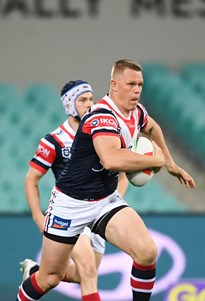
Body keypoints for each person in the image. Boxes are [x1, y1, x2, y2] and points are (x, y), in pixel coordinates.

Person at [16, 59, 196, 301]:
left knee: (146, 252)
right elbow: (111, 159)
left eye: (140, 84)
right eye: (131, 84)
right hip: (70, 204)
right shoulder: (101, 115)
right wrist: (155, 162)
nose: (137, 90)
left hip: (105, 200)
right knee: (50, 278)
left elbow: (152, 128)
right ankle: (29, 281)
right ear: (114, 84)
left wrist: (171, 163)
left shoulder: (137, 112)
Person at [20, 80, 129, 297]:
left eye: (91, 99)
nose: (89, 104)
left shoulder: (104, 133)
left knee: (78, 275)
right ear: (69, 105)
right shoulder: (54, 140)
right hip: (71, 211)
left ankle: (35, 272)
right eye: (82, 100)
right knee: (88, 270)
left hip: (98, 213)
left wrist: (110, 206)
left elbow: (123, 174)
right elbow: (31, 179)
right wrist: (37, 217)